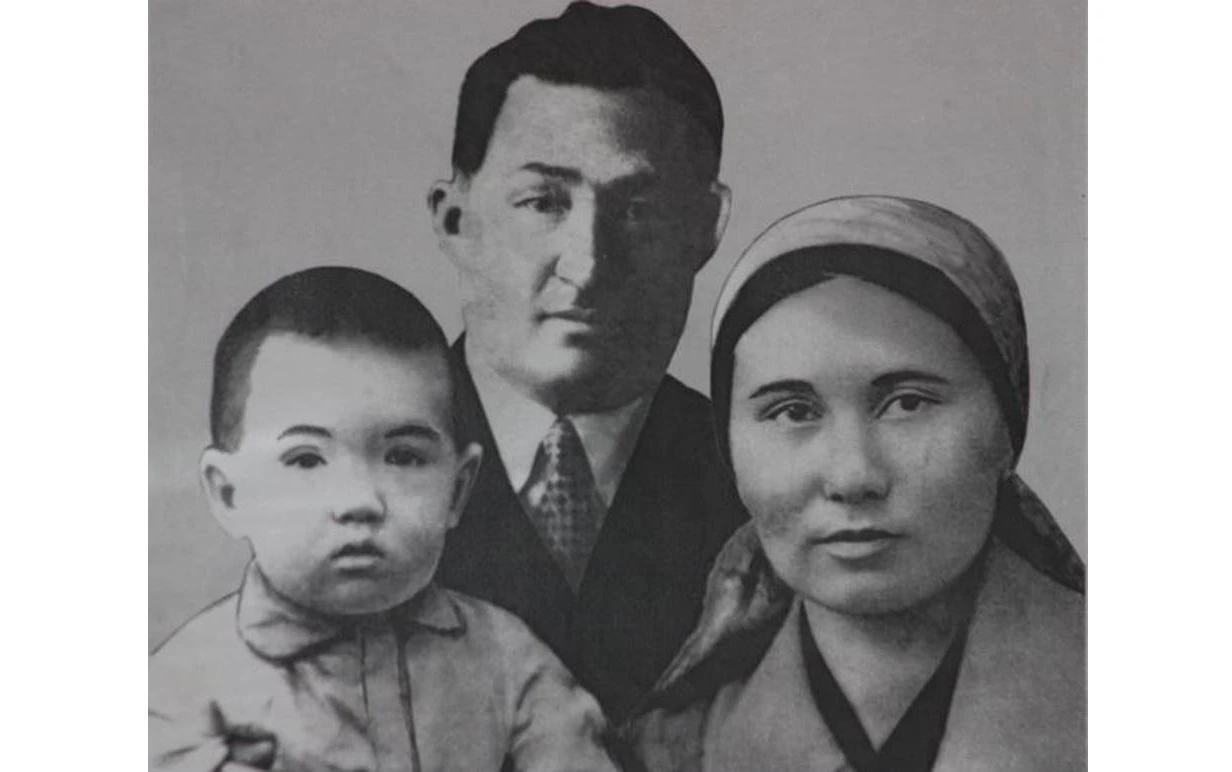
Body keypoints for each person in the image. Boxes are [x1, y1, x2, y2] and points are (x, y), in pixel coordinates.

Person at [627, 196, 1086, 770]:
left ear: (1006, 430)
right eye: (793, 412)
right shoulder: (669, 748)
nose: (852, 476)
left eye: (908, 403)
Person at [148, 267, 618, 772]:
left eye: (404, 457)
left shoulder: (507, 658)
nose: (361, 501)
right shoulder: (183, 691)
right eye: (306, 460)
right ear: (229, 494)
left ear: (458, 489)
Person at [427, 1, 747, 722]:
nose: (590, 264)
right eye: (543, 202)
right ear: (455, 219)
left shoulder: (765, 479)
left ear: (707, 227)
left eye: (638, 209)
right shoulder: (333, 464)